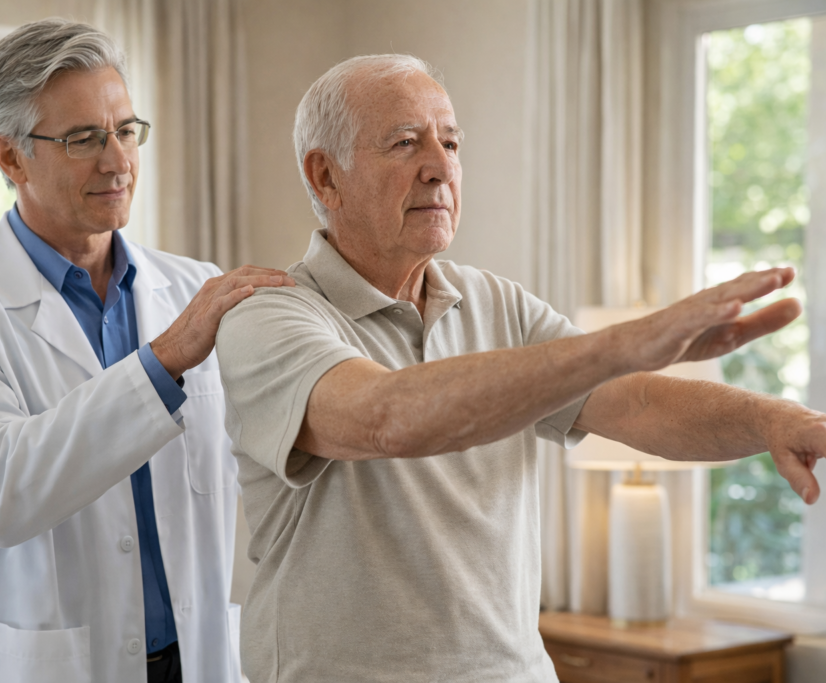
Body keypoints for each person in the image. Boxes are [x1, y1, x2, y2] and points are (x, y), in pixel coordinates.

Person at [214, 54, 822, 683]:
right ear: (325, 176)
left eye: (450, 142)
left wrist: (771, 420)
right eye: (405, 143)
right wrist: (626, 342)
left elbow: (636, 403)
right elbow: (385, 418)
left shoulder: (497, 302)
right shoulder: (269, 315)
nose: (440, 166)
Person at [0, 19, 292, 683]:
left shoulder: (191, 286)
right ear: (10, 157)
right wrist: (162, 362)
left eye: (126, 130)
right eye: (84, 139)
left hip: (199, 659)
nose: (118, 161)